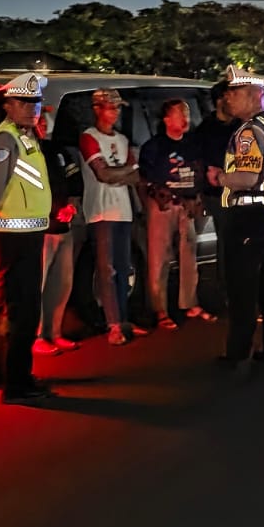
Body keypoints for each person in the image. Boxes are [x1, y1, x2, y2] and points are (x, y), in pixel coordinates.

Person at [0, 72, 56, 403]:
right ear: (8, 105)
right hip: (16, 236)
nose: (33, 108)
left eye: (36, 103)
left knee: (6, 305)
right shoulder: (4, 140)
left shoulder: (24, 136)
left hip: (26, 233)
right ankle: (17, 385)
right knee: (23, 310)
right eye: (25, 102)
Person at [208, 66, 264, 372]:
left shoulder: (248, 132)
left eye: (233, 92)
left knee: (241, 287)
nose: (227, 98)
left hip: (247, 215)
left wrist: (220, 177)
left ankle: (238, 354)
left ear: (253, 95)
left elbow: (247, 176)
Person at [80, 89, 149, 346]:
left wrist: (119, 173)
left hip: (123, 210)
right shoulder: (89, 137)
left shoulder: (122, 139)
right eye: (111, 107)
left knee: (123, 267)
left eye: (118, 108)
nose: (116, 113)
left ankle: (124, 318)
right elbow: (103, 174)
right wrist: (124, 172)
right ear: (97, 109)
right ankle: (113, 324)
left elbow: (134, 175)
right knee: (106, 268)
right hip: (101, 210)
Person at [138, 97, 213, 329]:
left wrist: (197, 198)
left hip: (186, 205)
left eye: (187, 113)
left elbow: (200, 172)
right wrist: (156, 198)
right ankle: (160, 309)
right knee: (159, 258)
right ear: (167, 119)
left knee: (189, 255)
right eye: (180, 114)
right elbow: (145, 178)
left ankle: (190, 302)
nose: (185, 118)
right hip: (163, 205)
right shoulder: (154, 147)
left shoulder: (192, 145)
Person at [34, 113, 83, 357]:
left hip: (63, 226)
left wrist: (71, 206)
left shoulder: (57, 151)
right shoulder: (27, 153)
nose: (42, 125)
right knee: (38, 285)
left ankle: (54, 332)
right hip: (41, 230)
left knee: (62, 284)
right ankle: (35, 336)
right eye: (38, 121)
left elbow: (74, 182)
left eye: (45, 121)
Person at [190, 79, 240, 308]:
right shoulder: (206, 129)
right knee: (227, 242)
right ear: (221, 100)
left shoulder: (242, 126)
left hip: (241, 190)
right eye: (232, 95)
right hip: (216, 193)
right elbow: (197, 163)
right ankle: (229, 292)